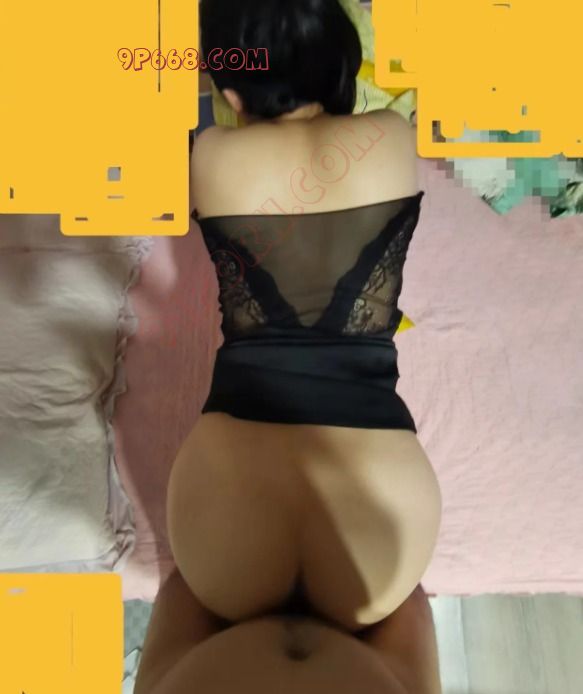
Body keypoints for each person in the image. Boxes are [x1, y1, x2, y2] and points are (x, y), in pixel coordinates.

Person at [137, 0, 442, 691]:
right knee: (196, 590)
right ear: (342, 65)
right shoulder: (391, 134)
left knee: (203, 589)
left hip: (246, 543)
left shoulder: (212, 152)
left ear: (231, 95)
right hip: (367, 532)